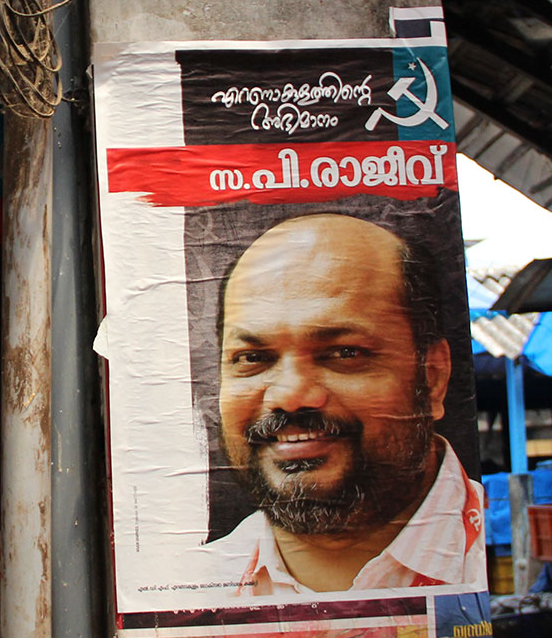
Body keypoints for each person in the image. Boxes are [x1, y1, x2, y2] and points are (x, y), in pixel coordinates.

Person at [200, 213, 485, 595]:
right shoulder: (194, 588)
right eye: (253, 358)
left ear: (432, 378)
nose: (290, 396)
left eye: (344, 353)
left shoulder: (501, 561)